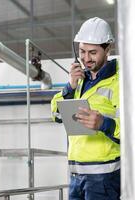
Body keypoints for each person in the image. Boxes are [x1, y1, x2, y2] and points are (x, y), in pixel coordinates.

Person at [51, 17, 120, 200]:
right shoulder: (79, 80)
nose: (86, 59)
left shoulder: (121, 81)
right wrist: (70, 87)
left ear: (108, 49)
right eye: (82, 51)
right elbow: (56, 115)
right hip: (76, 175)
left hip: (104, 178)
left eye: (92, 52)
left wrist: (104, 123)